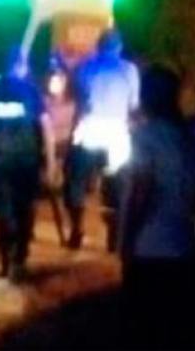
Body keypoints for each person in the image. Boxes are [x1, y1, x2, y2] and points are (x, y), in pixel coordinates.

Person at [118, 65, 195, 347]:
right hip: (184, 247)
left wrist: (127, 238)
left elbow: (142, 190)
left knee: (147, 330)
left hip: (151, 249)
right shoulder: (189, 138)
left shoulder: (146, 137)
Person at [0, 48, 58, 282]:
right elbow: (46, 129)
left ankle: (5, 257)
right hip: (26, 160)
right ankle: (20, 255)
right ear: (22, 66)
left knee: (3, 209)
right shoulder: (30, 91)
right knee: (25, 209)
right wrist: (50, 163)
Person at [64, 28, 139, 250]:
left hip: (89, 131)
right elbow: (133, 106)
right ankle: (114, 235)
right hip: (117, 135)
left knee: (75, 182)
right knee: (118, 186)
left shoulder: (85, 67)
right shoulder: (130, 70)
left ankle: (77, 228)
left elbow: (77, 99)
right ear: (119, 47)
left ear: (98, 46)